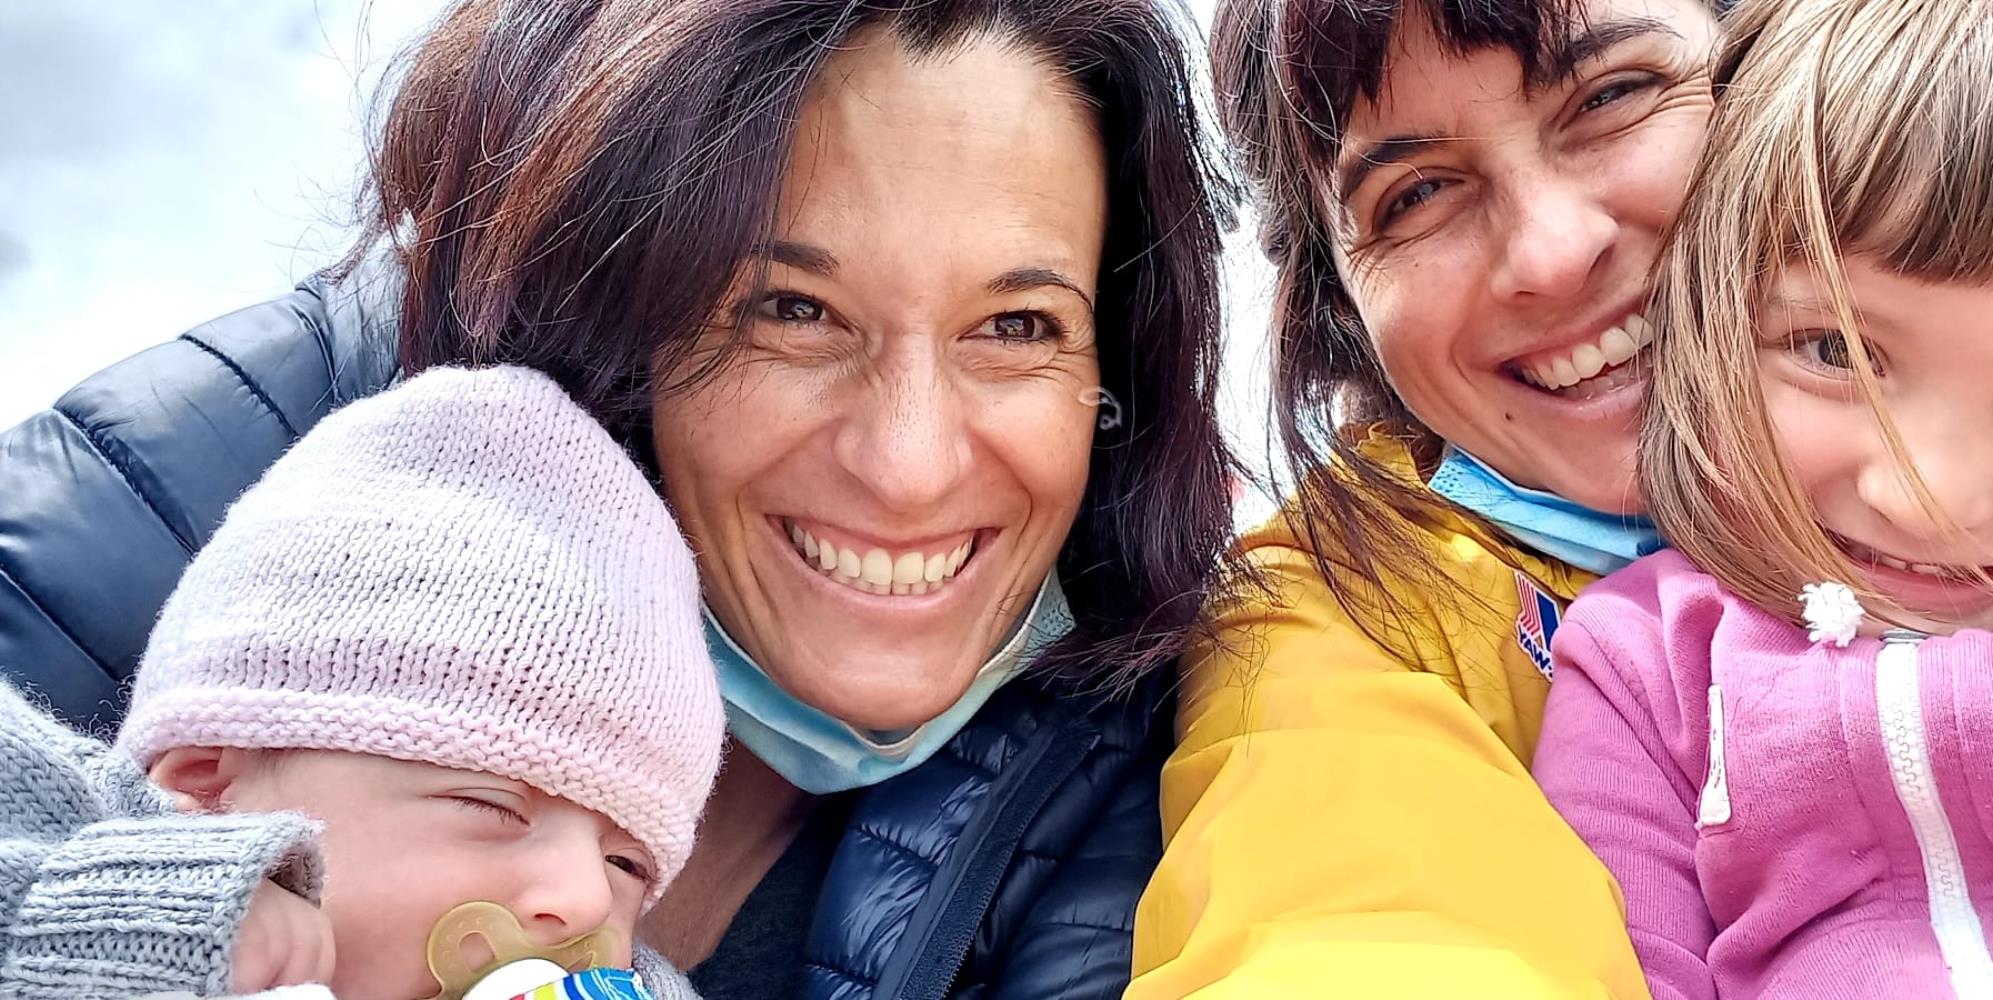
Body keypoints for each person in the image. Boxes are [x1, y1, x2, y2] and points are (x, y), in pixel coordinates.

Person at [0, 1, 1238, 997]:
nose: (907, 462)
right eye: (791, 309)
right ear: (609, 311)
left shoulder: (1164, 787)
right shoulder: (218, 498)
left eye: (1017, 326)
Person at [1533, 0, 1993, 996]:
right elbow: (1618, 973)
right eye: (1833, 350)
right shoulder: (1643, 665)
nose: (1923, 495)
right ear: (1709, 317)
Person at [1132, 0, 1723, 994]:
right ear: (1336, 304)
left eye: (1611, 95)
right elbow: (1348, 923)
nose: (1551, 253)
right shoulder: (1339, 617)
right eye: (1415, 196)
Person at [0, 365, 725, 1000]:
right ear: (209, 792)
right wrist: (146, 932)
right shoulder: (67, 865)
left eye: (627, 865)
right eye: (488, 803)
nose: (587, 900)